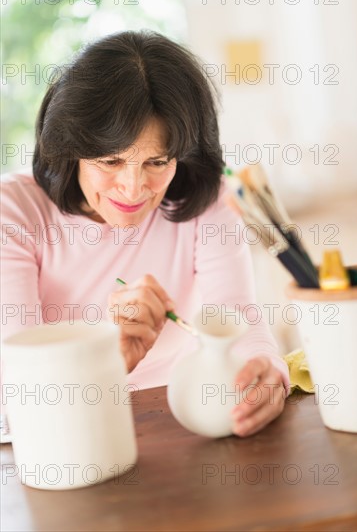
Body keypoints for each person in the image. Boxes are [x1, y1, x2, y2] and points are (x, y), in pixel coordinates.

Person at [1, 30, 289, 437]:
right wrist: (103, 362)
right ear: (71, 148)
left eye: (157, 162)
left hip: (177, 423)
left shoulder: (206, 199)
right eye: (111, 160)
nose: (133, 190)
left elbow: (236, 315)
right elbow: (14, 391)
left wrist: (266, 371)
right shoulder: (13, 211)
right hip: (64, 437)